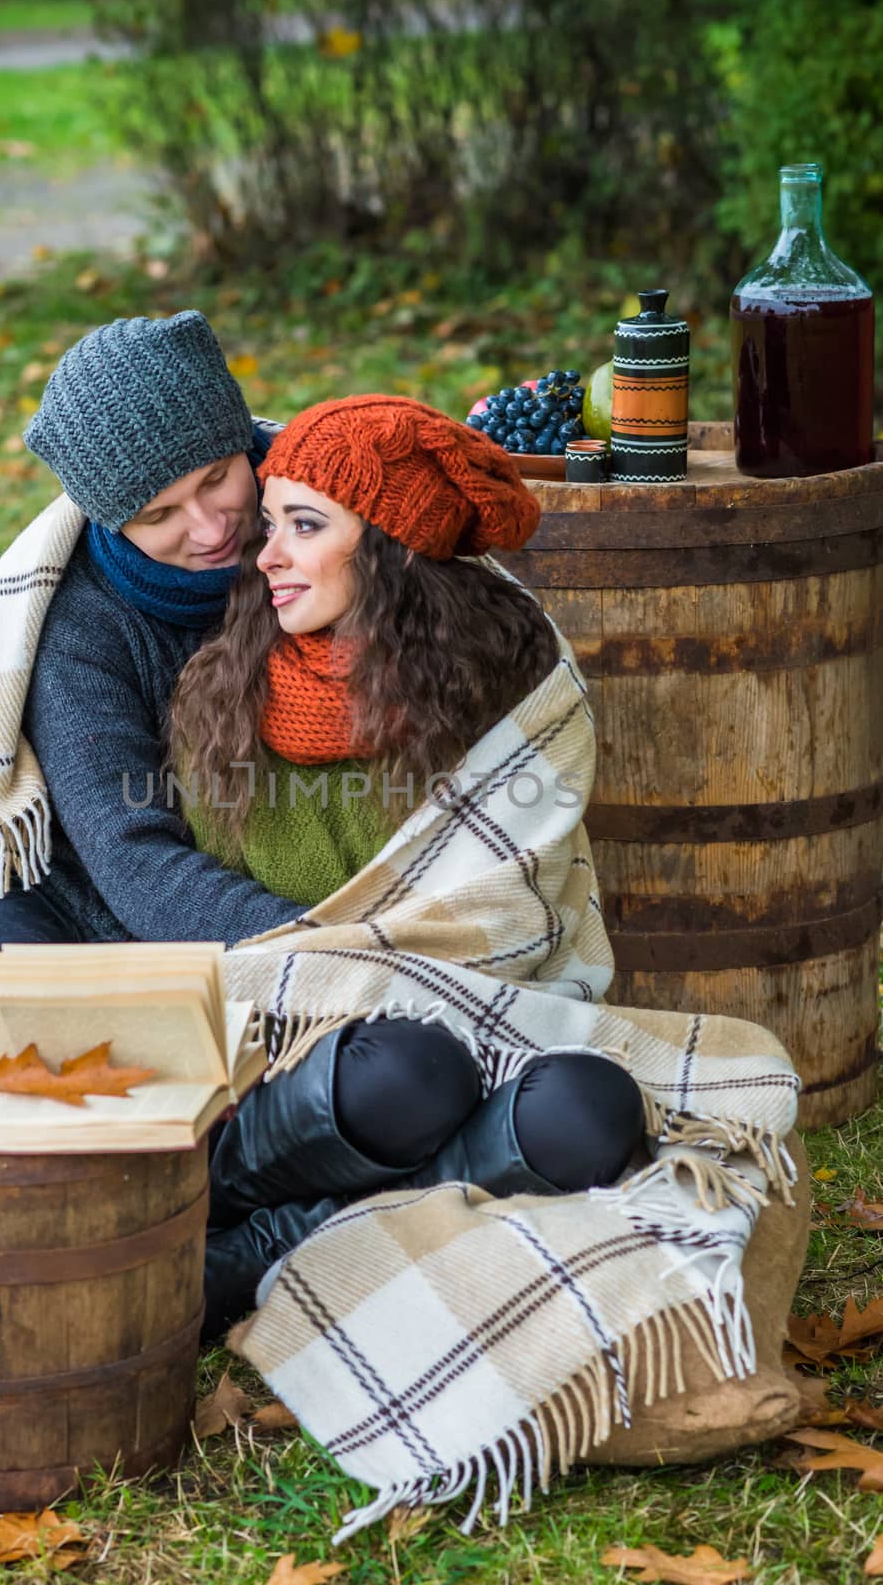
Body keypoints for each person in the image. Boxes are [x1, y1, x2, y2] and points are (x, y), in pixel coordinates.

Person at [168, 395, 647, 1338]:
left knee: (593, 1112)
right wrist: (361, 988)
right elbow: (247, 966)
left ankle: (271, 1249)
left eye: (305, 526)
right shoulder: (223, 693)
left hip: (498, 1023)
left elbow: (522, 904)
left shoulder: (510, 683)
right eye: (270, 524)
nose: (265, 556)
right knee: (406, 1072)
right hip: (301, 1070)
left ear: (390, 544)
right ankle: (239, 1214)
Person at [0, 312, 311, 1014]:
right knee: (5, 1010)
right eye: (160, 514)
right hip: (82, 889)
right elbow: (131, 854)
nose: (212, 528)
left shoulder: (324, 532)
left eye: (217, 477)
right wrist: (312, 947)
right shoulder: (79, 627)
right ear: (111, 520)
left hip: (289, 848)